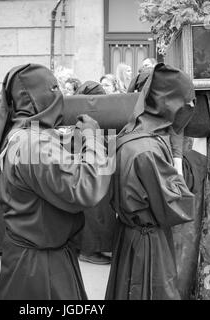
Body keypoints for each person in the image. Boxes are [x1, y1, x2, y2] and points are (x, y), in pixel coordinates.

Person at [0, 63, 112, 299]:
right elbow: (86, 187)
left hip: (36, 258)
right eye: (54, 87)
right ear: (35, 97)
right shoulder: (33, 143)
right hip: (40, 269)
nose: (59, 95)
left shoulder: (22, 134)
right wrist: (94, 138)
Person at [105, 63, 199, 300]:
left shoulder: (130, 134)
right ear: (169, 103)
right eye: (185, 102)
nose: (190, 107)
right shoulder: (148, 149)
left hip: (131, 237)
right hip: (148, 245)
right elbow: (177, 206)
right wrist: (186, 166)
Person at [73, 81, 116, 265]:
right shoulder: (85, 120)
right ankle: (89, 250)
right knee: (95, 212)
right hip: (91, 168)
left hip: (95, 167)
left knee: (98, 211)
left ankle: (91, 248)